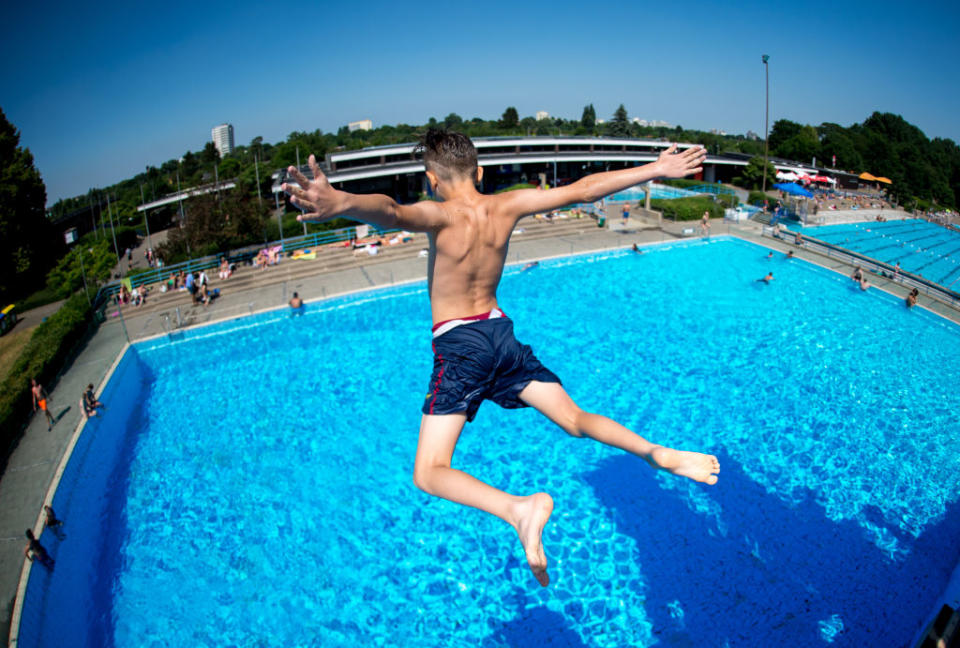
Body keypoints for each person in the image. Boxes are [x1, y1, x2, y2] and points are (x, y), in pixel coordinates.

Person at [283, 130, 718, 587]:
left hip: (460, 345)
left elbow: (390, 212)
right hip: (500, 334)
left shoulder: (439, 214)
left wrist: (342, 202)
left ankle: (519, 509)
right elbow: (583, 188)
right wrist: (655, 168)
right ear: (481, 172)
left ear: (432, 179)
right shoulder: (505, 206)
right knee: (574, 418)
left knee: (429, 472)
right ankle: (654, 452)